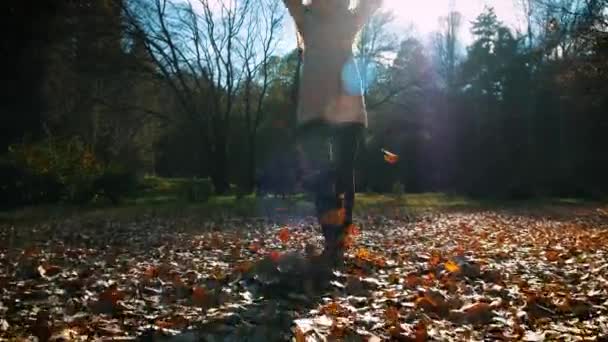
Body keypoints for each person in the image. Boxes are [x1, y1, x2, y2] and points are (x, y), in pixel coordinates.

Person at [282, 0, 382, 267]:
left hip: (347, 109)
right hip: (314, 111)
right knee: (321, 175)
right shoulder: (307, 19)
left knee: (342, 171)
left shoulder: (349, 20)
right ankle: (332, 237)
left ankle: (341, 234)